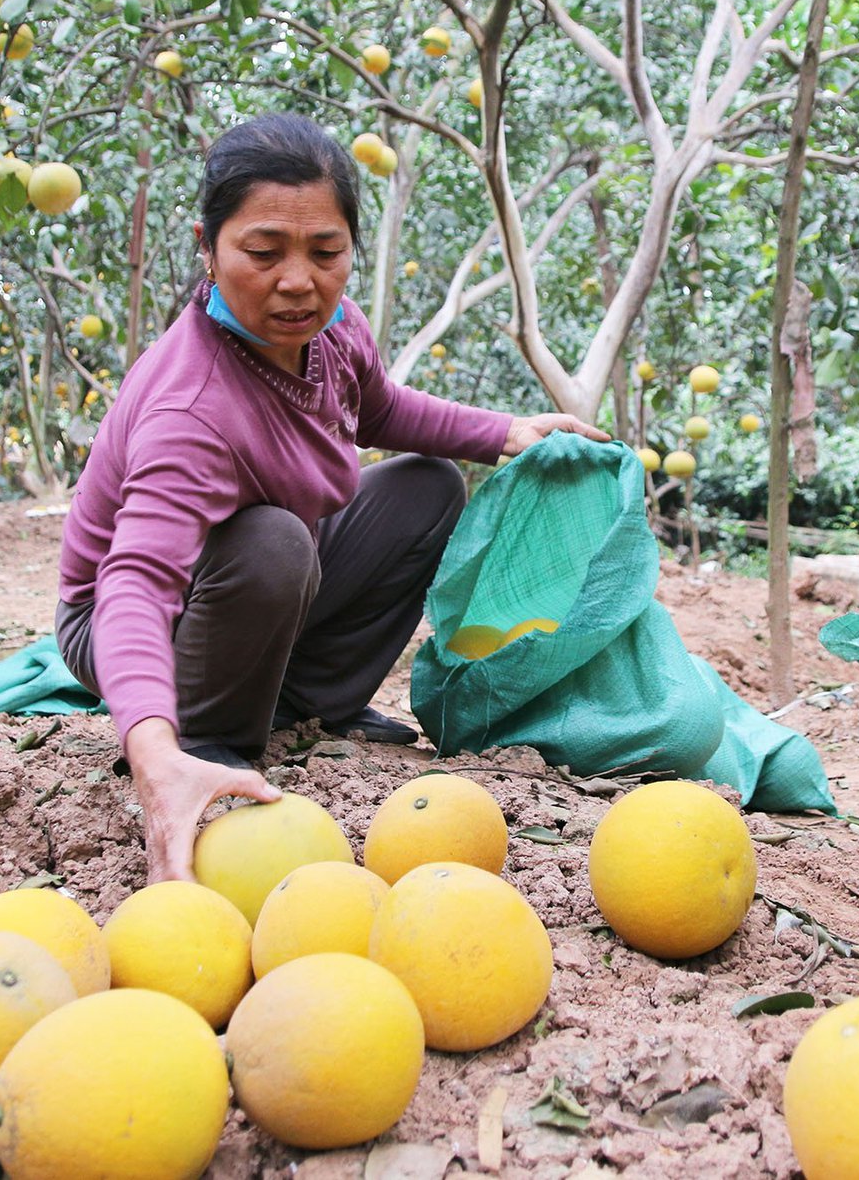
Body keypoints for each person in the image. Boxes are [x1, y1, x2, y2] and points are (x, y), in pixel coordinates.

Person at [55, 113, 606, 882]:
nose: (298, 281)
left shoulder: (333, 327)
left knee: (426, 486)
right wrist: (151, 752)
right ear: (207, 247)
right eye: (263, 251)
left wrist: (506, 431)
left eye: (325, 252)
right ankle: (208, 747)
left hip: (265, 573)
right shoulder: (193, 409)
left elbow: (379, 410)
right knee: (274, 542)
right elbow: (134, 586)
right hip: (132, 616)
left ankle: (308, 702)